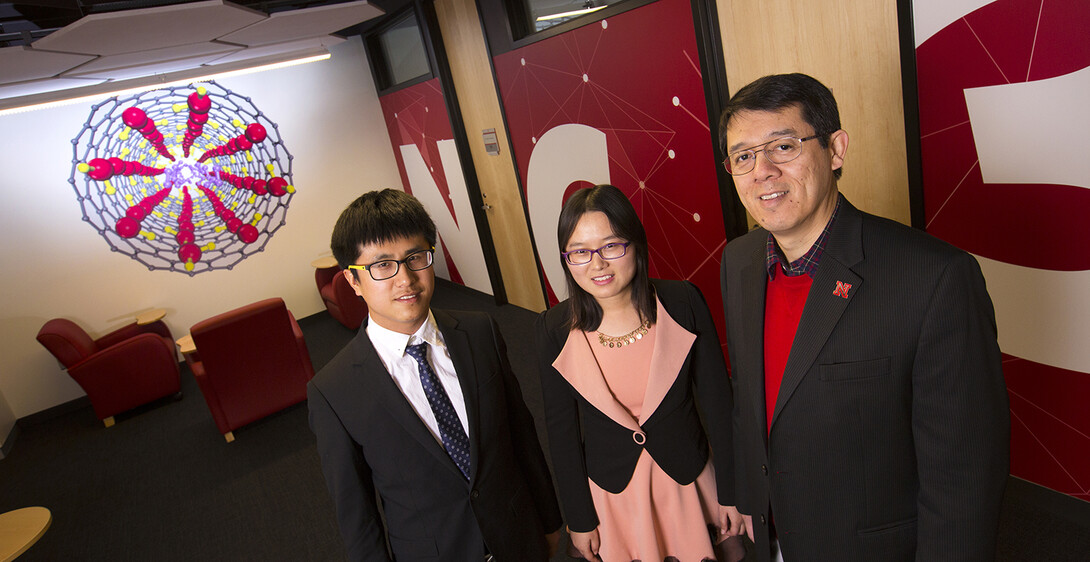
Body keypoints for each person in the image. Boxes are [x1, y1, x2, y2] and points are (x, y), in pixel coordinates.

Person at [717, 73, 1009, 562]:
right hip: (774, 537)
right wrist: (752, 502)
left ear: (835, 149)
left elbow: (964, 480)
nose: (761, 171)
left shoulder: (936, 278)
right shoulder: (740, 261)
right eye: (743, 157)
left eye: (783, 147)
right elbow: (750, 399)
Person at [308, 189, 562, 561]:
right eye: (382, 265)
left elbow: (521, 435)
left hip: (519, 538)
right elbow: (357, 518)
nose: (405, 278)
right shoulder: (333, 391)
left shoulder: (480, 332)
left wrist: (549, 522)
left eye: (415, 257)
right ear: (352, 280)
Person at [535, 184, 744, 562]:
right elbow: (561, 434)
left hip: (689, 483)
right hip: (614, 497)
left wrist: (733, 492)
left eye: (611, 246)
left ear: (637, 243)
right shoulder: (554, 328)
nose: (597, 264)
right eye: (580, 252)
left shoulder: (683, 302)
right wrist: (579, 520)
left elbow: (719, 406)